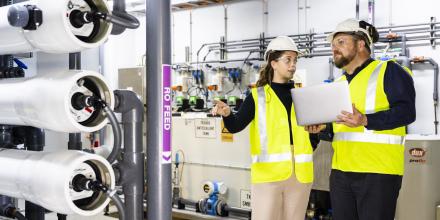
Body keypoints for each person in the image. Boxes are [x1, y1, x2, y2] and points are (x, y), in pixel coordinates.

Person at [306, 18, 416, 220]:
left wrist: (366, 120)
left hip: (378, 173)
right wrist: (321, 128)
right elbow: (338, 129)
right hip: (341, 173)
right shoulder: (337, 84)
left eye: (341, 42)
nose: (334, 48)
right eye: (333, 44)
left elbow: (407, 113)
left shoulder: (389, 71)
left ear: (360, 44)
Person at [211, 36, 315, 220]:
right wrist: (227, 114)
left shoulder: (303, 95)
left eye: (295, 60)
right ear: (273, 63)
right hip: (268, 177)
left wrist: (311, 140)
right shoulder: (257, 96)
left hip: (299, 175)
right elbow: (236, 125)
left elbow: (313, 131)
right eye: (287, 60)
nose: (293, 65)